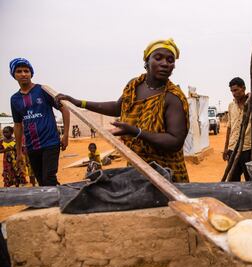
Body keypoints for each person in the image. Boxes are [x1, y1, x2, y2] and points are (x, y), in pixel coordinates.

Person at [56, 38, 190, 182]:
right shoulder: (134, 85)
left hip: (166, 174)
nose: (165, 63)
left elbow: (175, 142)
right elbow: (118, 107)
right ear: (146, 61)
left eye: (170, 60)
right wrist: (79, 103)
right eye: (158, 58)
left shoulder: (173, 97)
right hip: (137, 168)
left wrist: (136, 132)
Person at [9, 58, 70, 186]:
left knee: (49, 178)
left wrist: (65, 135)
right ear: (14, 75)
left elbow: (64, 109)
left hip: (51, 142)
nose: (23, 74)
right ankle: (58, 200)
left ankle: (61, 203)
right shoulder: (15, 99)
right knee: (42, 182)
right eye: (19, 71)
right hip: (32, 147)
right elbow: (18, 125)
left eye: (26, 71)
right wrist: (19, 152)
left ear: (31, 73)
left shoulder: (43, 90)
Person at [223, 77, 251, 181]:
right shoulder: (231, 106)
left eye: (236, 90)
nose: (234, 93)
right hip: (232, 149)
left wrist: (251, 96)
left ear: (243, 88)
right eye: (232, 91)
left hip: (247, 149)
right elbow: (229, 127)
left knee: (250, 180)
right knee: (233, 180)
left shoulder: (251, 104)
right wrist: (226, 148)